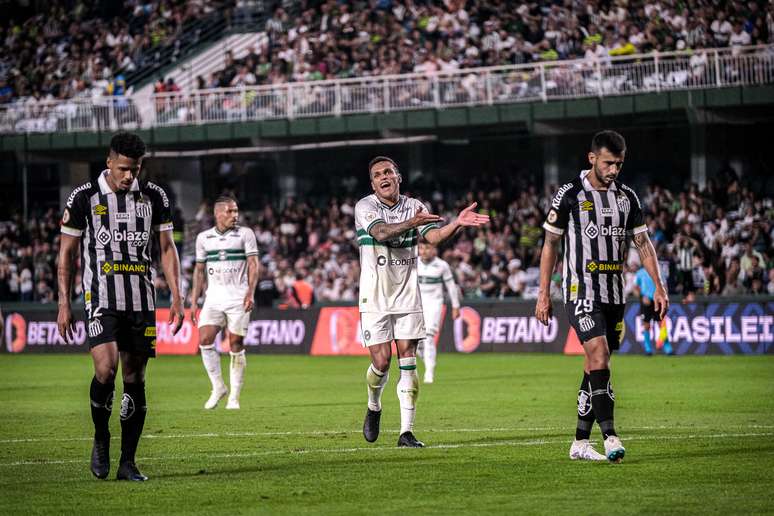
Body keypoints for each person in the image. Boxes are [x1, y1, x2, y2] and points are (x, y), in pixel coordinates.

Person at [57, 132, 184, 481]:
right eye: (125, 168)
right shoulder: (84, 197)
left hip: (141, 300)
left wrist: (177, 295)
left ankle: (128, 462)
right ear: (110, 162)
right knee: (106, 369)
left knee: (134, 378)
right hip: (101, 299)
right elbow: (66, 255)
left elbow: (166, 248)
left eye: (136, 169)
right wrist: (63, 303)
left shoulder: (153, 196)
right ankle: (101, 437)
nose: (130, 176)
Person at [535, 130, 668, 463]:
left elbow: (643, 244)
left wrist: (660, 285)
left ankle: (580, 442)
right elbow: (550, 244)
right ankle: (610, 436)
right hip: (580, 290)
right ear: (592, 158)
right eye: (609, 163)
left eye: (619, 164)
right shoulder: (569, 195)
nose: (614, 171)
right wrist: (543, 294)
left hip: (614, 292)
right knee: (599, 351)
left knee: (595, 364)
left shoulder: (627, 197)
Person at [357, 156, 489, 447]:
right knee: (381, 362)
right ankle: (374, 405)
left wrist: (458, 223)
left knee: (408, 361)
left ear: (398, 176)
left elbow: (435, 236)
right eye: (378, 174)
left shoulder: (415, 206)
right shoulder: (365, 206)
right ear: (373, 183)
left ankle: (406, 431)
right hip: (374, 294)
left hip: (407, 294)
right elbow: (381, 233)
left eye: (388, 171)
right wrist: (412, 223)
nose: (384, 177)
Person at [190, 196, 259, 410]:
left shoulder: (245, 234)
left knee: (235, 342)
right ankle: (218, 387)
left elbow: (254, 264)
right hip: (213, 297)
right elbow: (199, 271)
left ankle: (234, 398)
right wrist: (193, 301)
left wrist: (250, 292)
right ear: (218, 213)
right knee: (205, 338)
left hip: (238, 296)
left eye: (236, 211)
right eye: (230, 211)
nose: (234, 215)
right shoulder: (203, 238)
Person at [417, 241, 461, 383]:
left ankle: (429, 373)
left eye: (427, 248)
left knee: (428, 338)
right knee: (413, 343)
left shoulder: (442, 265)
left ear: (434, 249)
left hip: (433, 304)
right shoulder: (413, 263)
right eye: (421, 248)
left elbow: (451, 287)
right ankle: (429, 362)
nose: (423, 251)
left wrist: (455, 306)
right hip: (416, 305)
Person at [634, 265, 673, 355]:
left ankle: (667, 348)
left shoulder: (659, 271)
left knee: (661, 323)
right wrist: (642, 296)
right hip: (647, 302)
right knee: (646, 325)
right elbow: (635, 288)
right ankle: (648, 349)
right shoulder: (640, 273)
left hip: (658, 300)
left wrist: (665, 297)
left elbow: (664, 285)